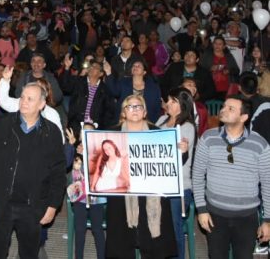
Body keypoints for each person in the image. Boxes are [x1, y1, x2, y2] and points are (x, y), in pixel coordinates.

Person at [0, 82, 67, 259]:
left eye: (30, 99)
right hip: (0, 202)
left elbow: (58, 173)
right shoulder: (2, 124)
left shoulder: (52, 133)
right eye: (22, 97)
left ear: (42, 104)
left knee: (29, 253)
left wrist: (52, 205)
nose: (24, 101)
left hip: (33, 206)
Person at [192, 95, 270, 258]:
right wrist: (201, 209)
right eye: (224, 106)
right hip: (215, 214)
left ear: (244, 117)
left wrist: (267, 220)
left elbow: (267, 183)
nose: (223, 110)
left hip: (246, 216)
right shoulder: (208, 138)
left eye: (230, 108)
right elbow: (197, 174)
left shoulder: (260, 144)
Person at [105, 95, 177, 258]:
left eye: (138, 106)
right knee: (120, 243)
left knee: (153, 245)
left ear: (144, 112)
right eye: (130, 106)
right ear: (123, 113)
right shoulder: (111, 135)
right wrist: (86, 151)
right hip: (121, 196)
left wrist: (181, 151)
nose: (134, 109)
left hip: (151, 193)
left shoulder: (158, 134)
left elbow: (171, 164)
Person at [156, 87, 196, 259]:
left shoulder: (187, 127)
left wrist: (183, 151)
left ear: (183, 105)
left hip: (179, 187)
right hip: (158, 183)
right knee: (156, 226)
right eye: (168, 100)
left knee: (173, 228)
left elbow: (180, 159)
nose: (168, 104)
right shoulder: (161, 120)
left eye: (173, 101)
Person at [65, 125, 106, 259]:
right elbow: (66, 163)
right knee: (79, 229)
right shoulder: (76, 151)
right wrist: (71, 146)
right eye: (83, 131)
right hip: (79, 197)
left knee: (97, 229)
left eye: (90, 131)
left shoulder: (101, 151)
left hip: (96, 198)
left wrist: (87, 154)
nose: (86, 133)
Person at [62, 57, 116, 131]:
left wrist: (99, 126)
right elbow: (65, 87)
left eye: (95, 67)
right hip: (76, 126)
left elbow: (109, 112)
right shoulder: (79, 82)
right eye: (91, 66)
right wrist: (67, 68)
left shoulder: (105, 90)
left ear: (101, 74)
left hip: (96, 128)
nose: (91, 68)